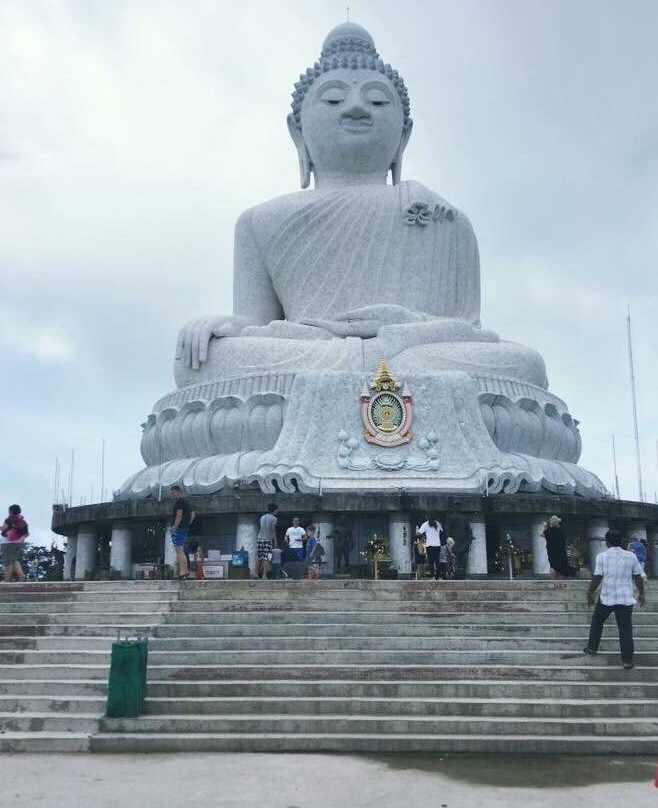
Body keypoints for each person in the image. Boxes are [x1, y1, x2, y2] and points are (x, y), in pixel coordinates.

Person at [584, 529, 645, 670]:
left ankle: (592, 648)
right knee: (625, 629)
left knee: (597, 621)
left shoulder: (602, 556)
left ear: (607, 542)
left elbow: (597, 577)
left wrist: (590, 593)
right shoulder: (631, 556)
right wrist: (641, 593)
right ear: (620, 541)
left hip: (607, 597)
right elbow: (638, 577)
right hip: (625, 598)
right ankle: (627, 661)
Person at [169, 486, 195, 580]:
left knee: (179, 551)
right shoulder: (187, 502)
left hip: (179, 529)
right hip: (184, 528)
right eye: (171, 493)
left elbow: (179, 515)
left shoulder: (179, 502)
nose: (172, 495)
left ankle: (183, 572)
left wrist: (174, 527)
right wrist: (187, 524)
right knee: (182, 551)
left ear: (179, 492)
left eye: (173, 492)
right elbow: (193, 515)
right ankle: (185, 571)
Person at [1, 504, 28, 583]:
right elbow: (26, 533)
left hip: (7, 543)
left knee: (7, 561)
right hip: (18, 543)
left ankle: (6, 580)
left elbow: (3, 529)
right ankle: (21, 576)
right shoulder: (23, 521)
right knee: (13, 560)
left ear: (11, 511)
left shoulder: (9, 519)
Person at [256, 502, 278, 580]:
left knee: (259, 557)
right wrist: (275, 540)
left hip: (259, 538)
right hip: (267, 539)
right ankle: (264, 575)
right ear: (274, 510)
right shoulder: (274, 518)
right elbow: (272, 530)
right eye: (276, 510)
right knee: (266, 557)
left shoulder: (262, 517)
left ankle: (256, 574)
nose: (277, 511)